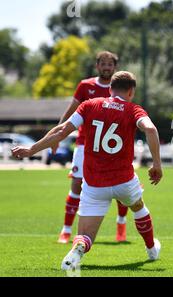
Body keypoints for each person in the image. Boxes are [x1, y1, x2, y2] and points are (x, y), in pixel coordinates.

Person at [12, 71, 163, 270]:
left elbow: (61, 130)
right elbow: (151, 129)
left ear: (110, 89)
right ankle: (152, 249)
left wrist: (32, 149)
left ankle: (78, 249)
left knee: (85, 236)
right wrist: (157, 164)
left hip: (94, 185)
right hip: (124, 181)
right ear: (131, 91)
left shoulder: (90, 105)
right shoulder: (133, 109)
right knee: (138, 206)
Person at [54, 51, 131, 244]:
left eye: (110, 64)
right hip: (84, 144)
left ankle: (121, 223)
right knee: (76, 186)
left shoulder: (118, 89)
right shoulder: (85, 86)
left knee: (122, 186)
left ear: (115, 67)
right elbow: (70, 112)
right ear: (97, 66)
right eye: (103, 64)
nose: (106, 67)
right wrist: (57, 134)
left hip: (113, 148)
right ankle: (66, 230)